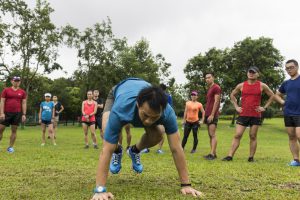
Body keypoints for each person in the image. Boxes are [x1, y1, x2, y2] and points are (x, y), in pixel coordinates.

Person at [91, 78, 202, 199]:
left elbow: (176, 148)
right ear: (138, 105)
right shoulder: (122, 108)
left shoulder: (168, 113)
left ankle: (134, 150)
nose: (149, 121)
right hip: (118, 93)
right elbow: (106, 150)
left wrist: (186, 184)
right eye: (145, 115)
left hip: (139, 94)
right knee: (107, 132)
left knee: (159, 134)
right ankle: (117, 150)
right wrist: (100, 190)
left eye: (155, 118)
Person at [222, 66, 274, 162]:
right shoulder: (241, 85)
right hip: (243, 114)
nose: (251, 73)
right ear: (247, 73)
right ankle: (229, 156)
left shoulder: (262, 85)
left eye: (253, 72)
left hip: (255, 114)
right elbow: (232, 95)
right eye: (249, 72)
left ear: (258, 74)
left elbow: (272, 95)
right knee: (237, 135)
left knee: (253, 136)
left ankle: (251, 157)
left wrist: (264, 107)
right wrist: (236, 106)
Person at [273, 59, 300, 166]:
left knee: (299, 135)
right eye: (287, 68)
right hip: (288, 113)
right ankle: (296, 160)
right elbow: (276, 95)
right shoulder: (286, 83)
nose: (289, 70)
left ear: (297, 67)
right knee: (292, 137)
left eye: (291, 67)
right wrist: (283, 102)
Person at [0, 76, 27, 153]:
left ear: (20, 82)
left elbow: (24, 103)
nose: (17, 82)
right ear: (12, 81)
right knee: (1, 129)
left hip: (17, 114)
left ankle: (10, 147)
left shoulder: (22, 92)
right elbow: (2, 102)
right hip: (6, 113)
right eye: (15, 81)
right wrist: (1, 113)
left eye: (18, 81)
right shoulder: (6, 90)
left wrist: (24, 114)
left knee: (14, 130)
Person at [203, 72, 221, 160]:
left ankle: (212, 155)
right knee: (210, 135)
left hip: (212, 114)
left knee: (212, 134)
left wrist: (212, 114)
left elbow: (216, 101)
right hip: (207, 114)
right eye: (206, 78)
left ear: (213, 77)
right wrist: (205, 115)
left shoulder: (216, 87)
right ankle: (213, 153)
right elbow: (209, 102)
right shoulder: (209, 88)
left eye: (209, 77)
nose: (207, 79)